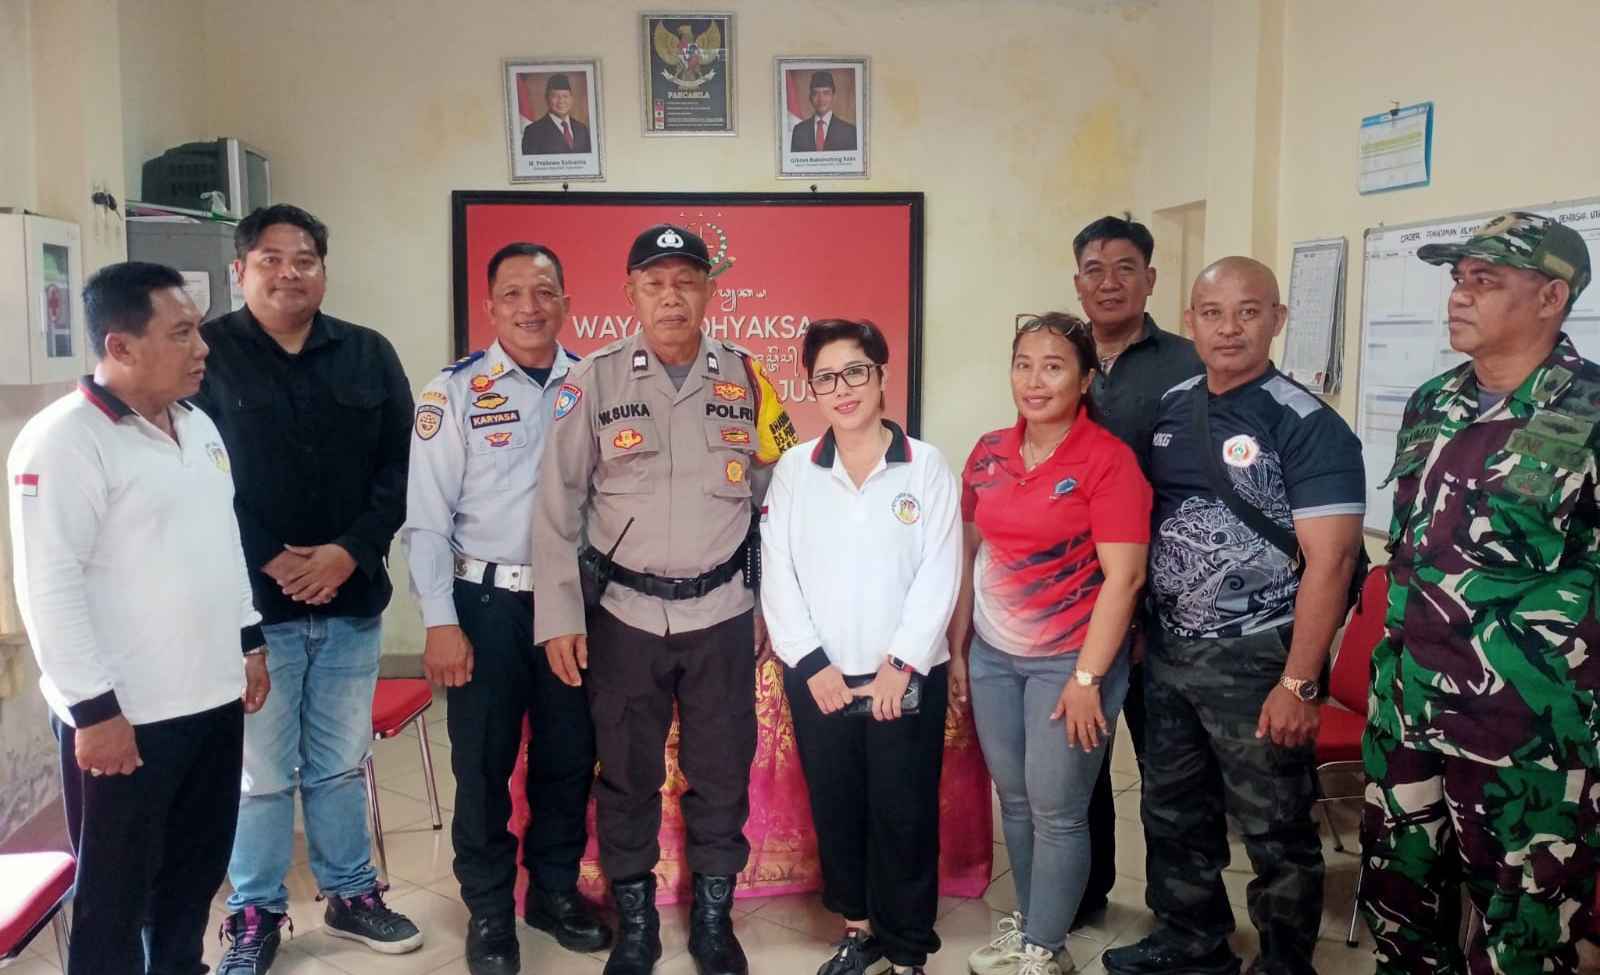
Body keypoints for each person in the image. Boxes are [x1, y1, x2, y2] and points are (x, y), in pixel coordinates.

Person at [532, 223, 798, 975]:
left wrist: (774, 608)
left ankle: (713, 919)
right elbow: (556, 506)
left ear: (710, 290)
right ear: (631, 293)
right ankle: (638, 920)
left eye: (686, 281)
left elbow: (783, 497)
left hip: (723, 613)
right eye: (655, 283)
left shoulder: (748, 379)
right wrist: (559, 616)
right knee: (626, 774)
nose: (671, 297)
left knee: (721, 770)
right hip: (624, 617)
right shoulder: (595, 382)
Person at [7, 261, 270, 975]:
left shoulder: (198, 425)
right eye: (181, 333)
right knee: (115, 898)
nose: (202, 347)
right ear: (119, 346)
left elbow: (223, 538)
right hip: (126, 717)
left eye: (198, 330)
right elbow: (48, 586)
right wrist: (94, 712)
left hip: (211, 700)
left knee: (192, 878)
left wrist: (248, 639)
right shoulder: (63, 441)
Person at [1103, 258, 1364, 975]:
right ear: (1189, 321)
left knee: (1274, 824)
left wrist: (1299, 682)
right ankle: (1192, 939)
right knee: (1172, 808)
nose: (1229, 328)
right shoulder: (1174, 404)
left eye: (1248, 312)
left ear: (1277, 319)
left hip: (1258, 656)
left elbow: (1334, 561)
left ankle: (1284, 960)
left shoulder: (1307, 423)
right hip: (1170, 649)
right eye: (1212, 313)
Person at [1361, 211, 1599, 973]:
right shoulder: (1433, 401)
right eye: (1458, 278)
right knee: (1400, 917)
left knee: (1522, 942)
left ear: (1551, 297)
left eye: (1485, 279)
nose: (1459, 295)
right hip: (1408, 713)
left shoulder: (1592, 411)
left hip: (1528, 736)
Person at [194, 204, 421, 973]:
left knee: (339, 761)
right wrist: (274, 560)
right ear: (240, 270)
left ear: (324, 268)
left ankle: (351, 893)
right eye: (271, 259)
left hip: (351, 601)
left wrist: (348, 552)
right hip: (252, 612)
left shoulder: (367, 352)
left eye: (305, 260)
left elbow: (401, 467)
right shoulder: (206, 357)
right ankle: (255, 910)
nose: (289, 273)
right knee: (259, 773)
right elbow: (195, 477)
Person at [400, 242, 608, 974]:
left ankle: (552, 890)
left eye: (544, 292)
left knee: (568, 755)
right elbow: (426, 519)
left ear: (566, 303)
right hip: (484, 603)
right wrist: (439, 619)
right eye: (513, 293)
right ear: (490, 307)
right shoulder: (453, 393)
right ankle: (489, 908)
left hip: (571, 603)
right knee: (484, 761)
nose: (530, 307)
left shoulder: (592, 384)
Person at [952, 312, 1151, 975]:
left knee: (1058, 810)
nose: (1034, 381)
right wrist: (959, 649)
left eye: (1054, 366)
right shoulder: (988, 453)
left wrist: (1088, 678)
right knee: (1014, 801)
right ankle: (1033, 926)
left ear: (1085, 379)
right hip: (993, 657)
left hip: (1070, 662)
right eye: (1024, 364)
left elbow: (1125, 578)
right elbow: (968, 555)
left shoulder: (1107, 460)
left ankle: (1045, 947)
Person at [761, 319, 961, 975]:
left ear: (881, 375)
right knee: (837, 804)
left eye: (855, 372)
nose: (842, 389)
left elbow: (940, 570)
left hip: (903, 674)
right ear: (812, 388)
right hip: (821, 675)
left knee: (904, 810)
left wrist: (901, 663)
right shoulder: (796, 469)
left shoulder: (925, 465)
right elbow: (777, 569)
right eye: (826, 377)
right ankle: (859, 928)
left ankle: (907, 946)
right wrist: (809, 661)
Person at [1069, 213, 1203, 922]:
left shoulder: (1188, 364)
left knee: (1168, 772)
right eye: (1094, 270)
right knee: (1080, 759)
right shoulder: (1062, 356)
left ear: (1150, 279)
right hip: (1075, 603)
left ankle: (1178, 921)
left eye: (1125, 268)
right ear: (1077, 283)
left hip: (1165, 605)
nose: (1109, 282)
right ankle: (1082, 892)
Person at [522, 73, 592, 155]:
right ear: (547, 98)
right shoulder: (533, 131)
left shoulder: (582, 129)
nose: (561, 101)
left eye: (565, 96)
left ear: (572, 99)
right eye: (555, 96)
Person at [790, 71, 858, 152]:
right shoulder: (799, 130)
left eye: (826, 93)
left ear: (833, 97)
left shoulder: (849, 132)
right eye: (815, 93)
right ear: (810, 97)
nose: (821, 99)